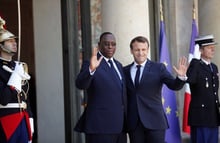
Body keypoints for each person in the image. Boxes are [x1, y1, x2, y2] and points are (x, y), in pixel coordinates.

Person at [123, 36, 187, 143]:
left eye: (143, 49)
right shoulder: (124, 71)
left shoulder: (159, 68)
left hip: (155, 121)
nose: (140, 53)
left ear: (147, 50)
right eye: (137, 50)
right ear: (131, 51)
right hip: (134, 124)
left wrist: (180, 78)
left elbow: (174, 85)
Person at [75, 32, 127, 143]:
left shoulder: (118, 65)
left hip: (120, 128)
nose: (110, 47)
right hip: (100, 127)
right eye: (106, 44)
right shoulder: (90, 63)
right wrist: (91, 70)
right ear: (99, 45)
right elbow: (80, 84)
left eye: (113, 44)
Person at [0, 17, 34, 143]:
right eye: (9, 41)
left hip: (23, 120)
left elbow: (26, 98)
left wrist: (30, 120)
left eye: (15, 40)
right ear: (1, 45)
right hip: (6, 121)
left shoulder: (19, 67)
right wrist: (15, 77)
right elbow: (4, 98)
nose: (15, 43)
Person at [187, 34, 220, 143]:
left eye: (213, 47)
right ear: (200, 50)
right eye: (209, 47)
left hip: (213, 116)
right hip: (200, 117)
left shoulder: (213, 67)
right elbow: (190, 80)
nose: (213, 49)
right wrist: (195, 60)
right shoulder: (195, 65)